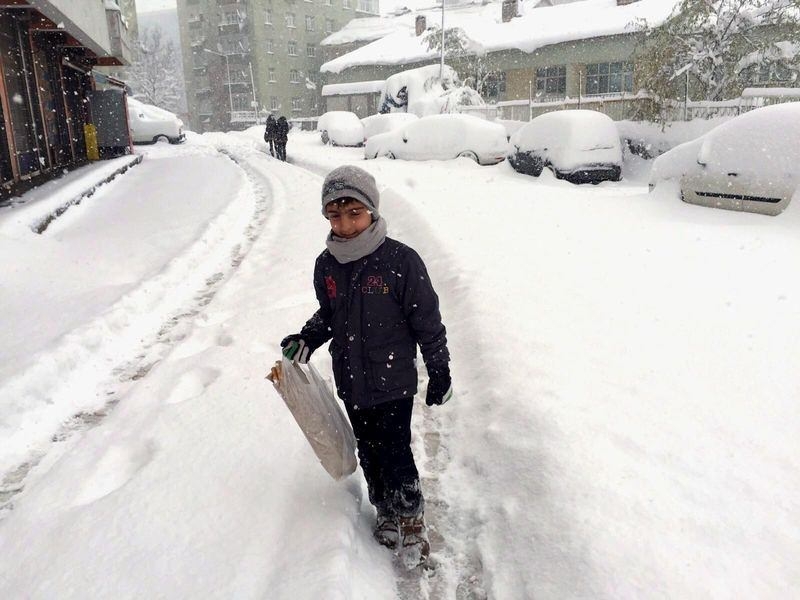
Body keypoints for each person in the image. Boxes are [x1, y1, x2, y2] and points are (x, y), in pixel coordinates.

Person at [280, 165, 452, 567]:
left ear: (371, 211)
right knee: (370, 452)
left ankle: (410, 520)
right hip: (352, 379)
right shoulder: (327, 265)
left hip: (392, 380)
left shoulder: (401, 261)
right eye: (335, 216)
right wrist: (307, 338)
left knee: (394, 451)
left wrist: (439, 366)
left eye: (353, 213)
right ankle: (385, 512)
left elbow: (426, 319)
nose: (345, 225)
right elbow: (330, 313)